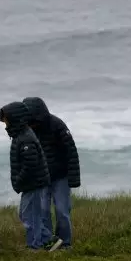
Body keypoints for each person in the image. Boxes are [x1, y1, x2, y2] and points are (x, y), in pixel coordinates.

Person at [23, 97, 80, 250]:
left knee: (62, 210)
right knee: (43, 211)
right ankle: (48, 242)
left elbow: (71, 151)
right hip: (42, 179)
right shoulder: (26, 130)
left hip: (61, 176)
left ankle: (65, 243)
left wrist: (74, 178)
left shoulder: (57, 125)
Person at [0, 101, 54, 251]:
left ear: (15, 119)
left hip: (33, 184)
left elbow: (30, 164)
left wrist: (19, 180)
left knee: (30, 216)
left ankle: (35, 246)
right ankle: (48, 240)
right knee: (25, 215)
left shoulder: (25, 138)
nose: (6, 125)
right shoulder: (20, 135)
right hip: (30, 184)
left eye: (7, 121)